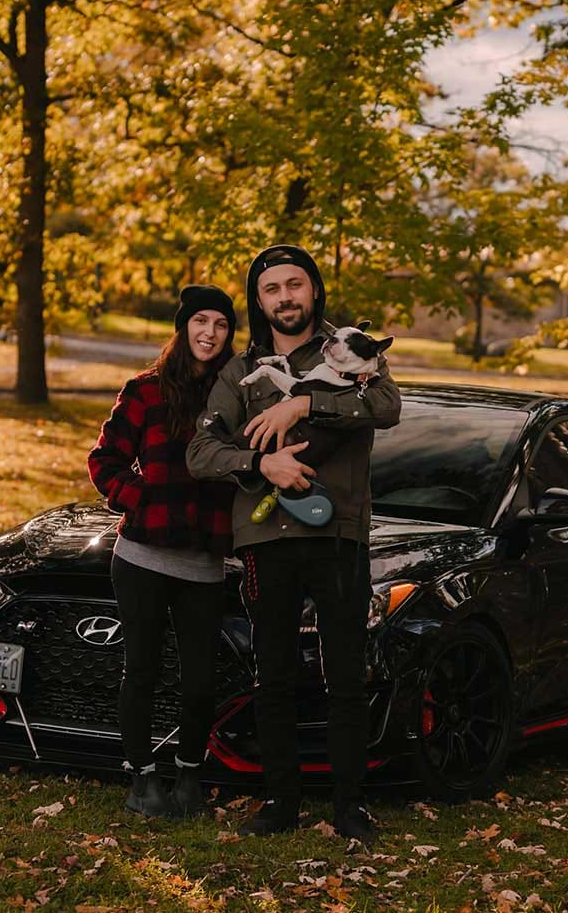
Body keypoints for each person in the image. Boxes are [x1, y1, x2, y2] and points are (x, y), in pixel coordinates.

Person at [186, 244, 401, 842]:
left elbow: (386, 406)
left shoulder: (351, 349)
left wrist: (308, 402)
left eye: (295, 285)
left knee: (346, 675)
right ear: (260, 301)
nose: (285, 297)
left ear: (314, 290)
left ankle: (349, 805)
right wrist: (264, 463)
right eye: (272, 289)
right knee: (273, 673)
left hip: (338, 535)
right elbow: (202, 452)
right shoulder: (241, 369)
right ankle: (280, 802)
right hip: (266, 537)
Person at [88, 285, 236, 818]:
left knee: (199, 681)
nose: (210, 333)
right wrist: (139, 499)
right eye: (201, 321)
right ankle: (142, 778)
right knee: (142, 671)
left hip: (204, 562)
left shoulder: (233, 396)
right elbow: (104, 460)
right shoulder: (146, 390)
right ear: (183, 327)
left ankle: (189, 776)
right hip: (141, 558)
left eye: (221, 325)